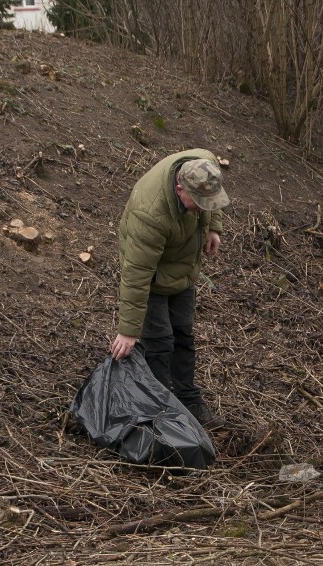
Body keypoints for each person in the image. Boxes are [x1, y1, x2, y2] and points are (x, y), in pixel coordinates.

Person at [111, 149, 229, 428]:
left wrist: (214, 227)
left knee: (182, 336)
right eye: (198, 203)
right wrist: (128, 331)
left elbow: (210, 199)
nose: (203, 208)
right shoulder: (149, 215)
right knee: (160, 342)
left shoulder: (204, 166)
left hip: (183, 267)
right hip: (151, 273)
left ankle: (188, 399)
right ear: (179, 189)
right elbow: (136, 274)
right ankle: (160, 409)